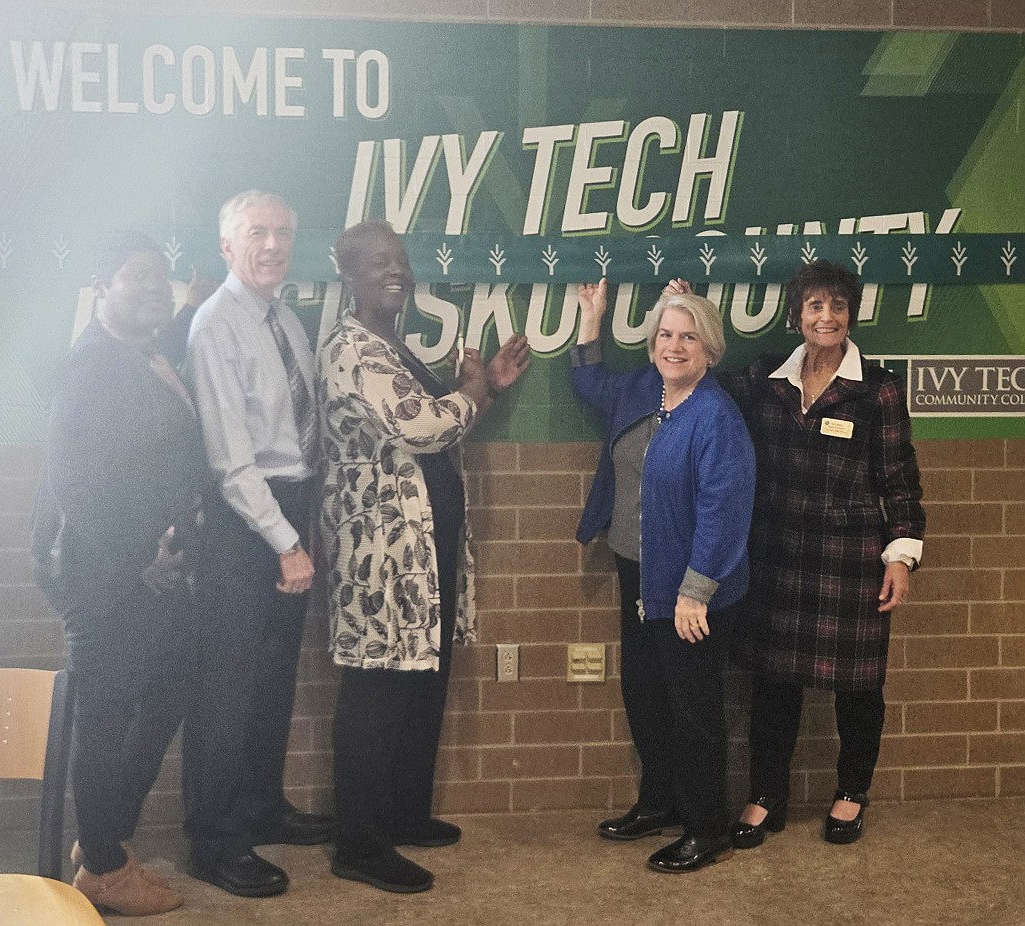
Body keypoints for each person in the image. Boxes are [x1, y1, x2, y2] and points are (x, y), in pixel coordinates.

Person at [319, 220, 529, 893]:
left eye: (402, 261)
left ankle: (403, 812)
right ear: (348, 277)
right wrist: (473, 393)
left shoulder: (394, 346)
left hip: (421, 553)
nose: (396, 271)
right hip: (379, 556)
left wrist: (482, 385)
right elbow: (425, 423)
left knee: (419, 680)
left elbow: (441, 410)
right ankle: (359, 842)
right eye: (380, 262)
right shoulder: (354, 349)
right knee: (377, 692)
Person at [714, 260, 925, 847]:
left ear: (849, 314)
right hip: (777, 554)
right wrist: (683, 307)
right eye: (815, 306)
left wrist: (900, 557)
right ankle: (765, 797)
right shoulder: (767, 380)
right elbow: (698, 374)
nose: (826, 316)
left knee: (859, 689)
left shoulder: (878, 388)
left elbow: (899, 481)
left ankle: (852, 793)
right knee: (772, 686)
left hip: (850, 560)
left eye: (836, 305)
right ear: (797, 315)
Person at [32, 231, 209, 915]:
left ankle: (104, 838)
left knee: (168, 689)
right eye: (137, 278)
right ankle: (103, 865)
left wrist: (189, 309)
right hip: (107, 579)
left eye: (161, 279)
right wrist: (146, 557)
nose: (154, 289)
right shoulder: (91, 367)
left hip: (148, 571)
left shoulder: (141, 353)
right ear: (102, 285)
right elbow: (78, 483)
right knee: (104, 718)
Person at [571, 279, 756, 873]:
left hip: (689, 591)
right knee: (645, 693)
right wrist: (592, 320)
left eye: (688, 337)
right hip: (637, 574)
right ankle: (661, 802)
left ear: (710, 349)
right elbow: (587, 382)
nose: (674, 346)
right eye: (665, 335)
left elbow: (724, 512)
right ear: (651, 343)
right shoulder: (644, 391)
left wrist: (696, 592)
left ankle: (707, 827)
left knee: (693, 707)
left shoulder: (716, 416)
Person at [183, 190, 328, 897]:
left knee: (272, 681)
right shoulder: (217, 326)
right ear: (227, 246)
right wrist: (284, 542)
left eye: (283, 232)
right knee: (227, 692)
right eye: (256, 233)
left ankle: (260, 809)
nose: (272, 245)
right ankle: (215, 841)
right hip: (248, 523)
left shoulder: (286, 321)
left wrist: (299, 527)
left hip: (290, 506)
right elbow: (229, 462)